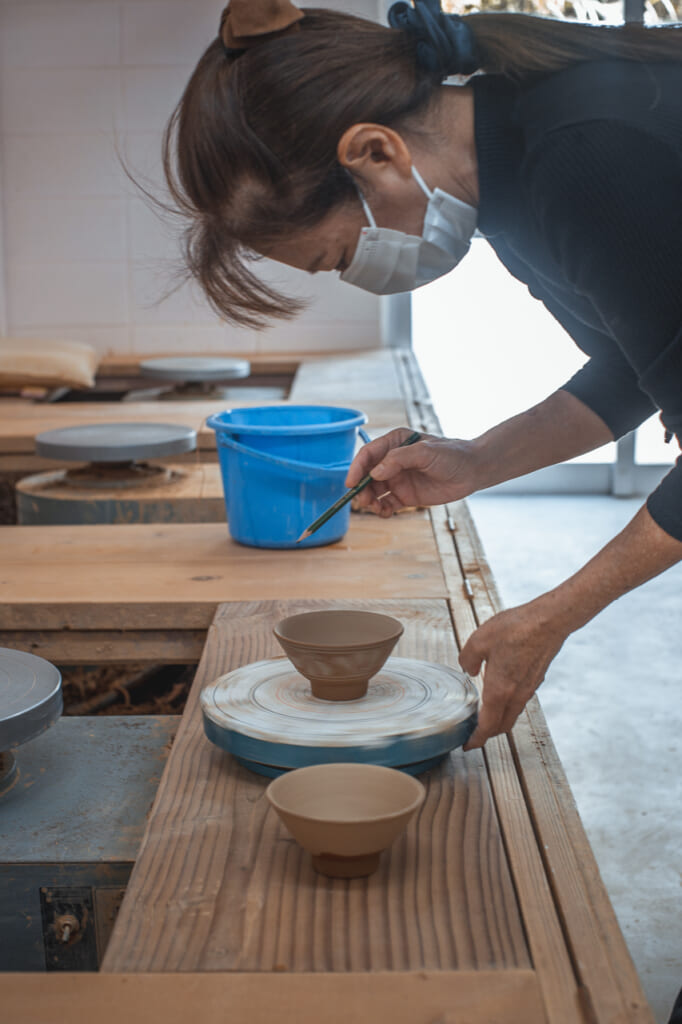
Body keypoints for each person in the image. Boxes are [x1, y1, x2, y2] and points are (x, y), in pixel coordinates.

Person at [165, 7, 681, 739]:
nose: (357, 277)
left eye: (340, 255)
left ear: (375, 150)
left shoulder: (579, 153)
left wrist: (552, 615)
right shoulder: (513, 185)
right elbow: (641, 366)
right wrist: (476, 460)